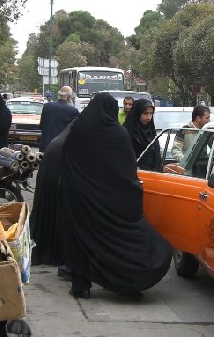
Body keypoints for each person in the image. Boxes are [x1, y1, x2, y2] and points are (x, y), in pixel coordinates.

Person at [58, 93, 173, 298]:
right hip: (111, 201)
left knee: (81, 239)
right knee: (122, 241)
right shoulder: (117, 134)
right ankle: (127, 282)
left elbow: (66, 162)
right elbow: (127, 171)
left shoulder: (78, 129)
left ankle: (80, 285)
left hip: (79, 198)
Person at [29, 124, 71, 268]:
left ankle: (41, 252)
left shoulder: (62, 137)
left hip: (48, 177)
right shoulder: (73, 139)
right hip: (57, 178)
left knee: (47, 213)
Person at [123, 98, 162, 171]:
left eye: (151, 114)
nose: (149, 117)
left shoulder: (151, 130)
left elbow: (156, 154)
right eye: (145, 113)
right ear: (138, 113)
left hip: (152, 174)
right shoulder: (128, 131)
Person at [39, 86, 79, 152]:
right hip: (61, 148)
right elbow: (75, 132)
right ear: (69, 97)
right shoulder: (73, 111)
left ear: (59, 95)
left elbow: (41, 125)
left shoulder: (47, 106)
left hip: (45, 146)